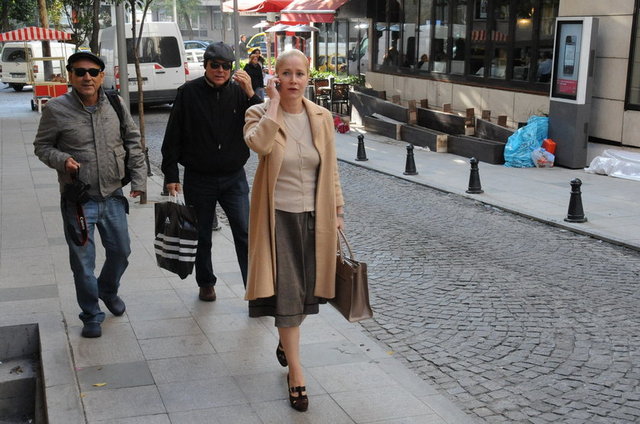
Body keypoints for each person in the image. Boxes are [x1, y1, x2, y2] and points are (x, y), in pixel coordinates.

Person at [243, 49, 345, 412]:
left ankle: (286, 341)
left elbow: (330, 167)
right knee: (288, 292)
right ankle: (297, 374)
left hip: (315, 218)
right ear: (276, 76)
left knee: (305, 291)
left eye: (299, 73)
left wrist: (337, 210)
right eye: (286, 73)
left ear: (307, 76)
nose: (293, 80)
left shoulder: (321, 116)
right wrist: (271, 105)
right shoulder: (258, 113)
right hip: (277, 218)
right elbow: (259, 145)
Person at [33, 51, 147, 338]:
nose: (87, 77)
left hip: (113, 195)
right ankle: (91, 314)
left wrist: (139, 179)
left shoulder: (115, 103)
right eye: (80, 72)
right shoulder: (56, 109)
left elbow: (133, 140)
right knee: (83, 264)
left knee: (121, 252)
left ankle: (107, 289)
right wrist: (62, 160)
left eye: (93, 72)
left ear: (101, 76)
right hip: (79, 201)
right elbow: (42, 146)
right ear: (70, 75)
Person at [161, 42, 261, 302]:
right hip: (199, 177)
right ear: (206, 65)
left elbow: (264, 123)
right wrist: (171, 175)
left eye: (226, 66)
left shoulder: (240, 93)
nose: (220, 70)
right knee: (201, 234)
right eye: (215, 65)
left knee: (245, 233)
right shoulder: (188, 93)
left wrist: (251, 93)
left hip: (234, 177)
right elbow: (173, 136)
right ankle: (205, 282)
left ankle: (253, 288)